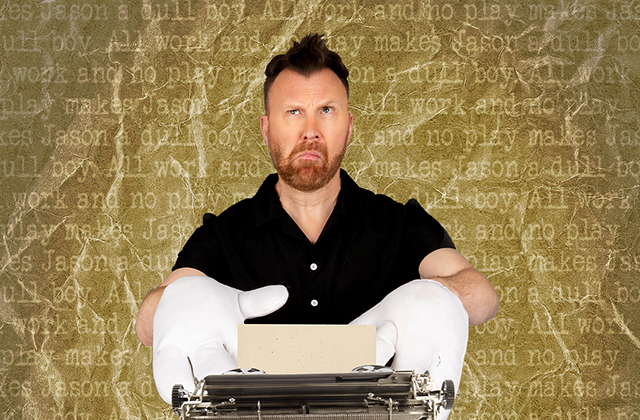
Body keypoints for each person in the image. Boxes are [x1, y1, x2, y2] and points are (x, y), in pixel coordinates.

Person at [136, 34, 499, 416]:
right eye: (293, 112)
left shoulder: (400, 223)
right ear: (266, 128)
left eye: (326, 110)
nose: (310, 131)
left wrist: (428, 301)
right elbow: (149, 323)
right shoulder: (222, 234)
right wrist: (180, 306)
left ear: (349, 125)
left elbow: (480, 295)